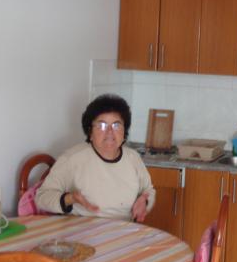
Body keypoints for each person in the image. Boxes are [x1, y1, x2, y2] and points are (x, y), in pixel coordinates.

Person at [35, 94, 155, 222]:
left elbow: (148, 190)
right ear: (90, 132)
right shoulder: (72, 158)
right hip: (81, 228)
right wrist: (71, 198)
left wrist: (145, 202)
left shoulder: (133, 158)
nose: (110, 132)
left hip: (124, 228)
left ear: (124, 131)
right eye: (102, 125)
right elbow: (42, 198)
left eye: (116, 125)